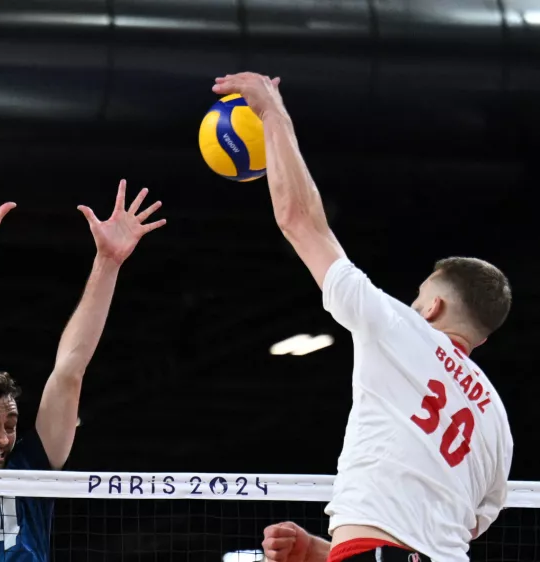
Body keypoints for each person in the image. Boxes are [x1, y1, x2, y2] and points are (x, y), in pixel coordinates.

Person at [211, 73, 514, 562]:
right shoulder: (496, 421)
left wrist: (271, 112)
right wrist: (320, 552)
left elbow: (300, 221)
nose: (413, 304)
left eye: (419, 296)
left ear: (432, 307)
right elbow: (444, 531)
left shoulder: (400, 328)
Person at [0, 166, 165, 561]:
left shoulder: (29, 468)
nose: (3, 437)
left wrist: (109, 262)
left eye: (9, 424)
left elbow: (70, 371)